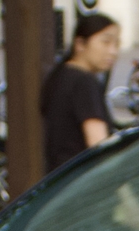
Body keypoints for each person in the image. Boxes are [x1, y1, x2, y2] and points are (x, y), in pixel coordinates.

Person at [43, 12, 121, 171]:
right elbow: (98, 144)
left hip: (59, 177)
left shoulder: (60, 75)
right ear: (80, 44)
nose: (113, 51)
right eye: (105, 42)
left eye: (116, 44)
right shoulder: (84, 82)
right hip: (83, 180)